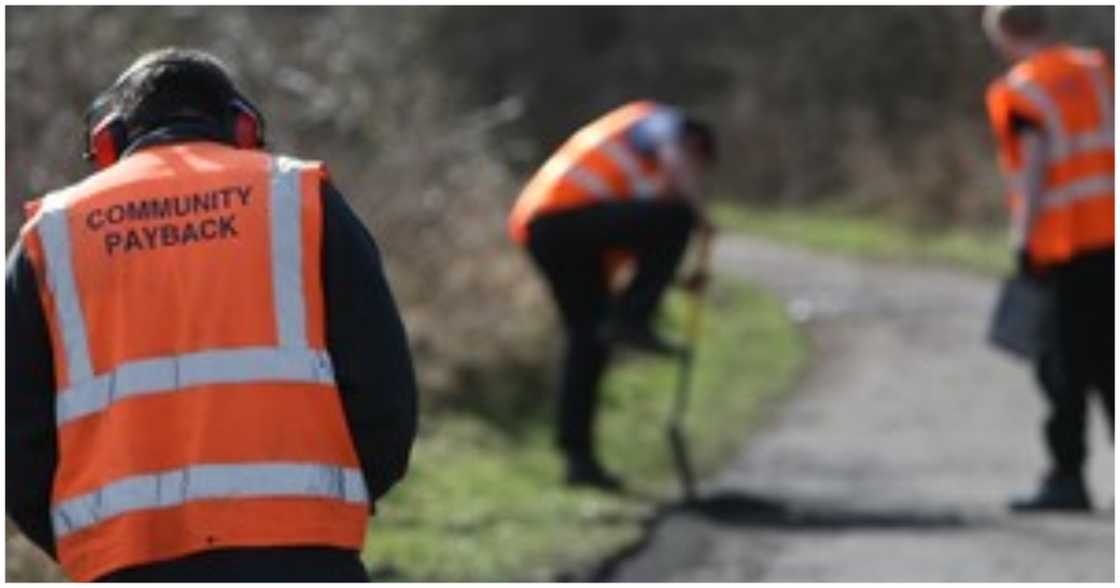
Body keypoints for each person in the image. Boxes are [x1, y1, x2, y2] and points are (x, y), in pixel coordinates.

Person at [5, 48, 419, 580]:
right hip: (301, 550)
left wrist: (87, 542)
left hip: (128, 561)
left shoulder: (50, 235)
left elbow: (15, 434)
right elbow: (384, 388)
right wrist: (336, 504)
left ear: (106, 140)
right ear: (243, 126)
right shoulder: (301, 198)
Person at [508, 101, 716, 490]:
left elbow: (642, 249)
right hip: (557, 221)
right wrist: (699, 214)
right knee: (677, 218)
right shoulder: (658, 121)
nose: (691, 176)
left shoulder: (641, 177)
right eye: (697, 166)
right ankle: (632, 320)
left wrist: (677, 280)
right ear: (694, 142)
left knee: (589, 339)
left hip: (551, 233)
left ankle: (579, 460)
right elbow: (673, 174)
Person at [982, 6, 1114, 511]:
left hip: (1063, 245)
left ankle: (1067, 478)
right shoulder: (1096, 68)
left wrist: (1022, 237)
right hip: (1113, 238)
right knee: (1112, 361)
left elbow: (1035, 165)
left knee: (1064, 367)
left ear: (1006, 35)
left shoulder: (1021, 91)